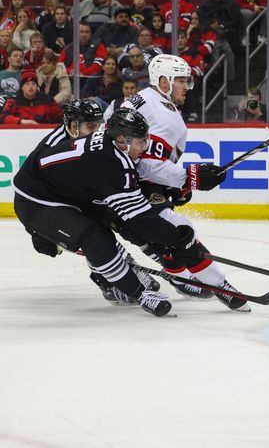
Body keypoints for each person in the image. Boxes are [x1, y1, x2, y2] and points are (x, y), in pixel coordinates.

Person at [12, 108, 188, 316]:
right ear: (72, 126)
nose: (96, 130)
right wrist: (39, 232)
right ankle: (109, 280)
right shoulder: (56, 143)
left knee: (121, 223)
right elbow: (33, 176)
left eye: (98, 125)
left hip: (73, 193)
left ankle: (164, 268)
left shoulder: (105, 145)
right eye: (90, 126)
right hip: (42, 201)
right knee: (93, 237)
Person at [119, 54, 249, 310]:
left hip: (123, 180)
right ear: (164, 81)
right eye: (181, 81)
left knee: (157, 236)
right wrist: (192, 177)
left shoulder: (147, 99)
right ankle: (218, 284)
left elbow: (143, 162)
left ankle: (180, 276)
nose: (187, 87)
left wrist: (175, 186)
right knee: (178, 229)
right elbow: (146, 164)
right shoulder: (162, 113)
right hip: (125, 184)